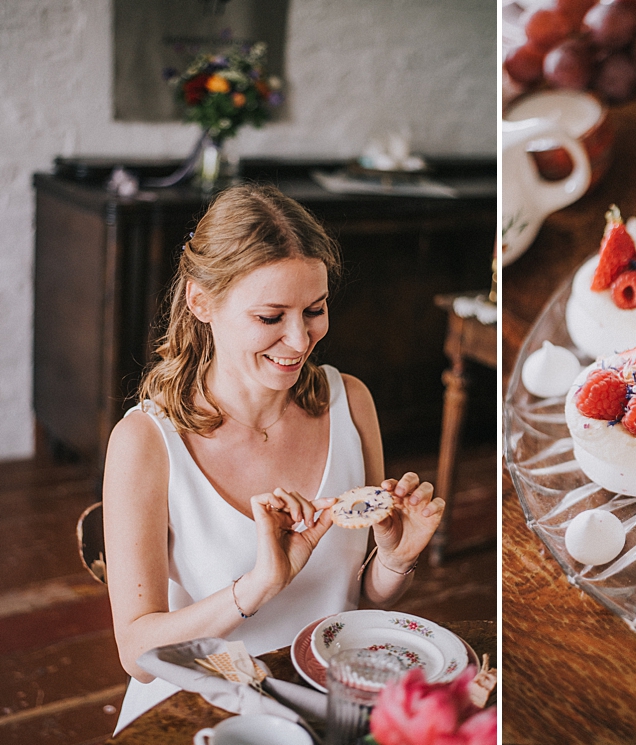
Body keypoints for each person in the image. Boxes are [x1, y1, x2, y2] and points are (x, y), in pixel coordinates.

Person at [102, 183, 444, 733]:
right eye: (269, 317)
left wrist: (394, 561)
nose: (299, 340)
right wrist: (259, 585)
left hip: (331, 704)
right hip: (201, 712)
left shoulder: (350, 403)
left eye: (315, 310)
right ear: (201, 303)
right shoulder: (145, 441)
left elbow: (351, 601)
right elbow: (135, 652)